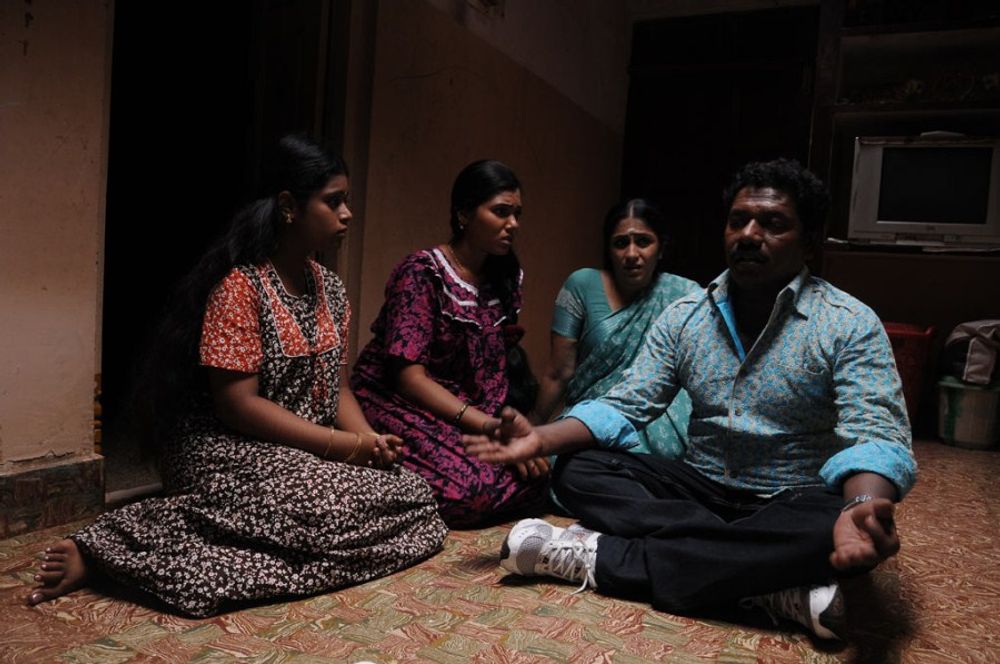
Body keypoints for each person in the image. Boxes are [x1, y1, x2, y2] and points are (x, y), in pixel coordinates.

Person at [466, 158, 916, 640]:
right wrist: (542, 438)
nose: (749, 234)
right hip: (698, 488)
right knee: (579, 469)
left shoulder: (848, 322)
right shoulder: (686, 316)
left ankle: (602, 557)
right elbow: (628, 402)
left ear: (808, 242)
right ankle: (762, 579)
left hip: (790, 494)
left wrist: (861, 504)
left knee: (833, 524)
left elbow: (875, 432)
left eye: (773, 223)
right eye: (738, 220)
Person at [26, 135, 447, 617]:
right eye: (333, 202)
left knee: (417, 501)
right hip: (224, 449)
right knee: (325, 510)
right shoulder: (239, 288)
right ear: (289, 207)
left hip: (302, 455)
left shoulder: (330, 288)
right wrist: (344, 448)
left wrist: (369, 441)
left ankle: (263, 553)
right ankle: (110, 546)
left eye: (346, 201)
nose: (347, 214)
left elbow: (339, 388)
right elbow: (238, 406)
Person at [351, 160, 549, 528]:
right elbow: (409, 378)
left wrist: (501, 428)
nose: (513, 224)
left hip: (470, 407)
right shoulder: (422, 272)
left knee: (540, 471)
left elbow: (494, 369)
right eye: (501, 212)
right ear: (463, 214)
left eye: (517, 214)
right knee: (472, 492)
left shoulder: (504, 277)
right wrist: (486, 427)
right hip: (402, 400)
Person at [531, 198, 700, 459]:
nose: (631, 254)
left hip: (664, 427)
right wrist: (534, 425)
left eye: (643, 242)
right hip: (590, 422)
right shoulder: (582, 285)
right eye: (621, 243)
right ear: (609, 249)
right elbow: (558, 372)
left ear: (661, 249)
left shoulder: (685, 295)